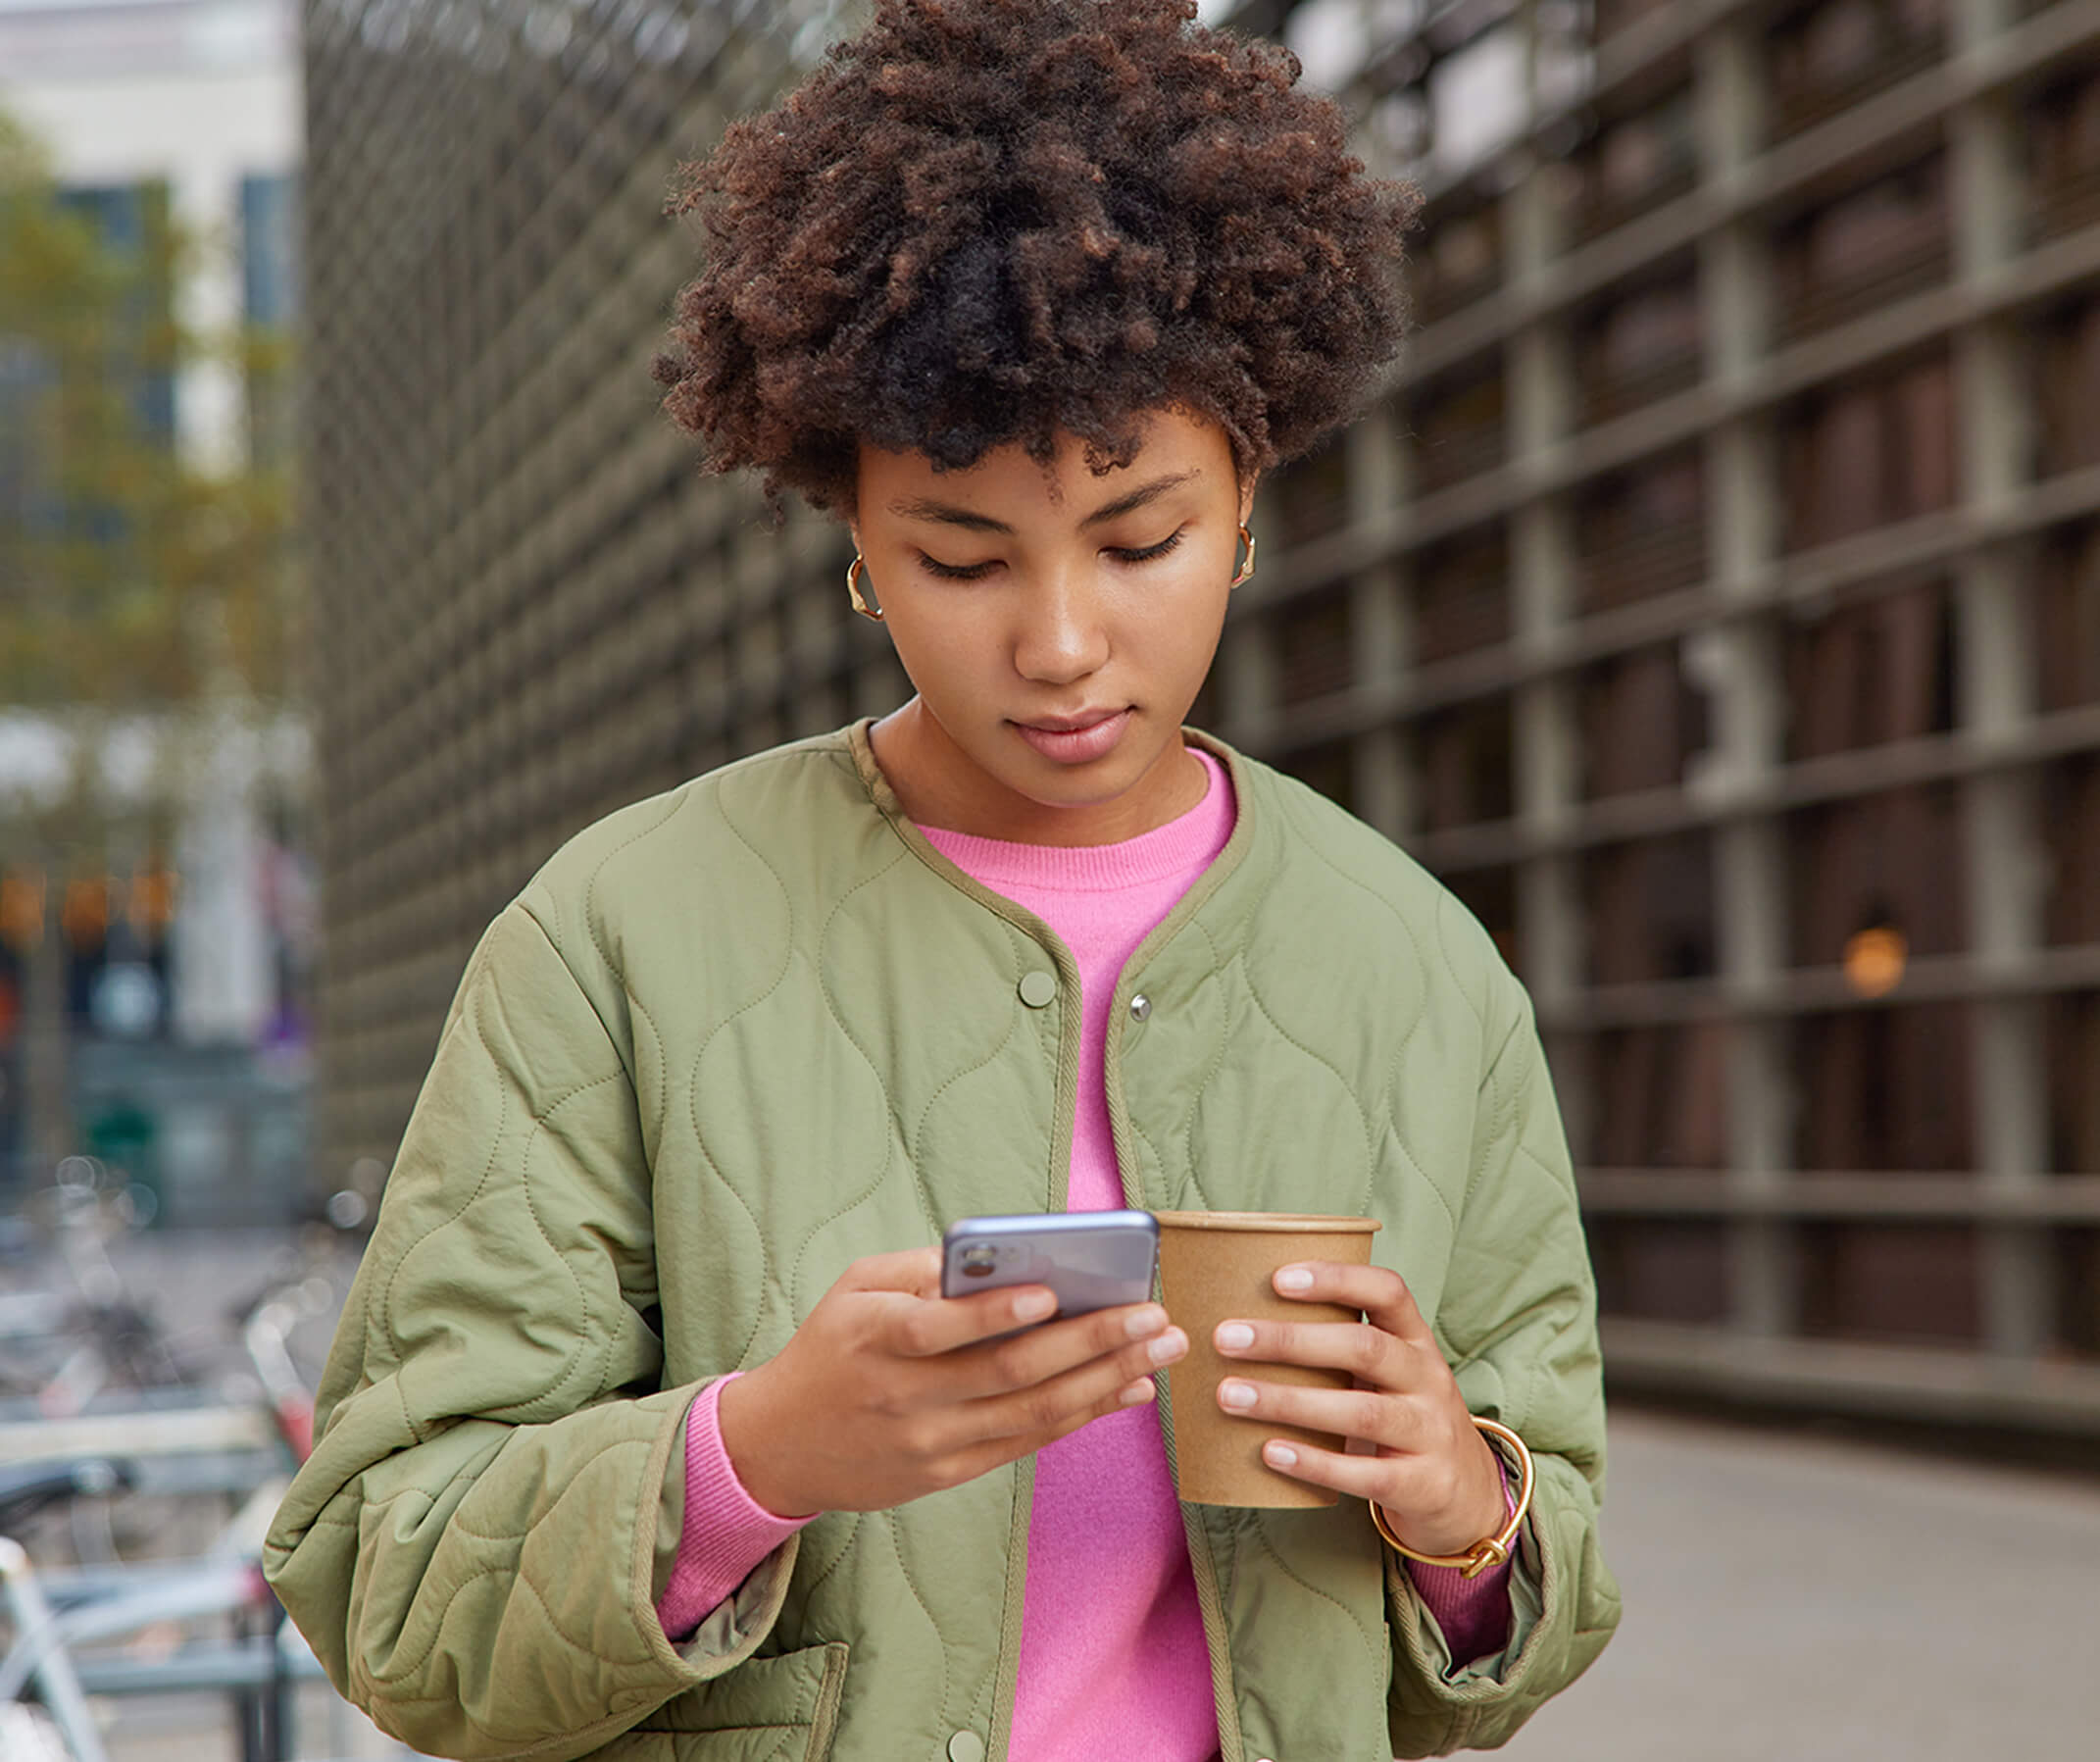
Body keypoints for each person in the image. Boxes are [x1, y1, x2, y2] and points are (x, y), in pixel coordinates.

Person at [263, 3, 1620, 1758]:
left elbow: (1549, 1571)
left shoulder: (1416, 969)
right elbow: (382, 1576)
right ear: (851, 535)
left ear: (1251, 493)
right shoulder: (621, 939)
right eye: (960, 555)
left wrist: (1462, 1508)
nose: (1060, 643)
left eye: (1141, 540)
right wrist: (749, 1460)